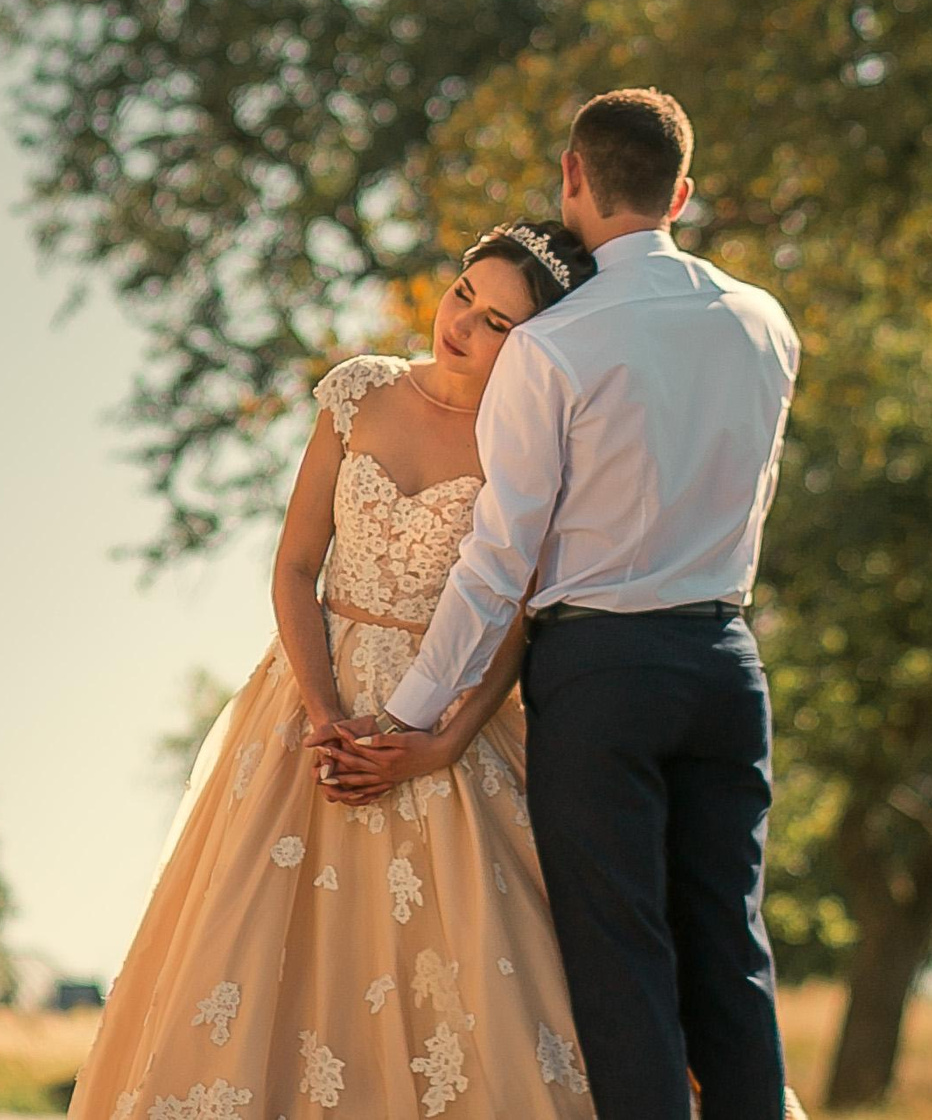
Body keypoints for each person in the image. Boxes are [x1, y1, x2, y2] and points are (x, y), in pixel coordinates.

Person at [68, 218, 606, 1120]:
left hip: (440, 724)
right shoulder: (358, 393)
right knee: (249, 948)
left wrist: (436, 745)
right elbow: (292, 565)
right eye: (464, 292)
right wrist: (321, 710)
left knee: (465, 981)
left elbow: (517, 622)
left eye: (499, 321)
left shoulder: (530, 447)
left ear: (536, 343)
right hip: (306, 707)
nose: (462, 323)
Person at [352, 88, 803, 1120]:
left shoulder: (555, 345)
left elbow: (500, 556)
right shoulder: (764, 323)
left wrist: (414, 712)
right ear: (681, 192)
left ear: (570, 177)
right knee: (730, 947)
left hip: (602, 674)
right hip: (728, 662)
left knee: (622, 961)